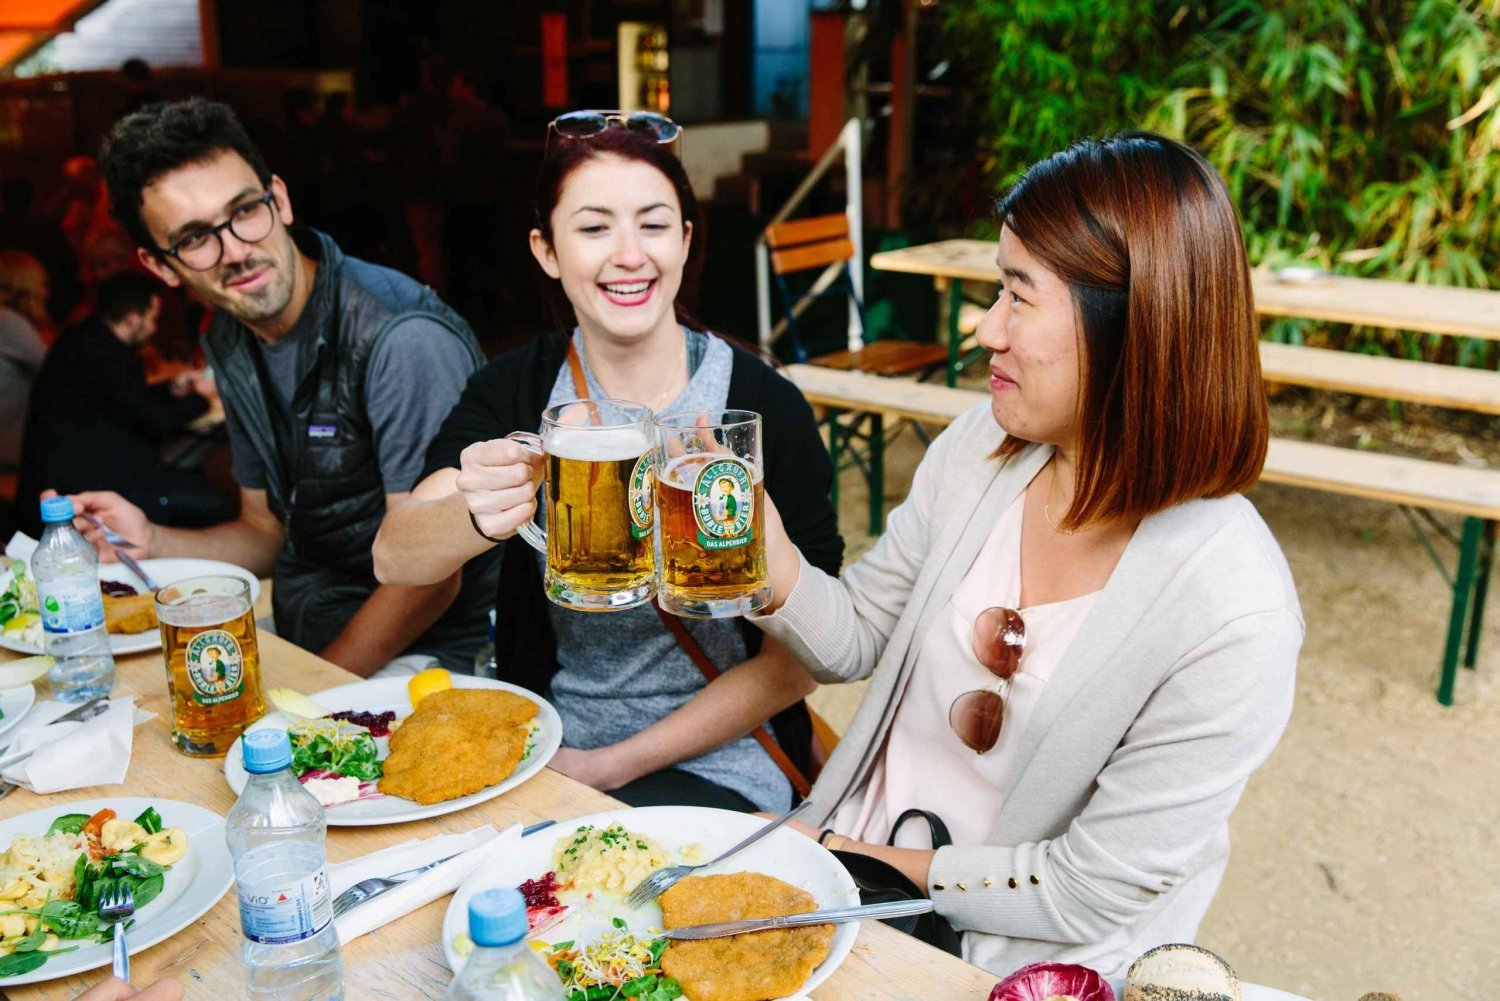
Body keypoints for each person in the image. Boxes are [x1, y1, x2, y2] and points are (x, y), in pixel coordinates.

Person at [747, 134, 1303, 976]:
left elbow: (1087, 887)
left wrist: (843, 860)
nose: (983, 329)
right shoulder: (982, 447)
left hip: (1017, 962)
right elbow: (858, 635)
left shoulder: (1234, 609)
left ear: (1134, 328)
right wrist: (764, 553)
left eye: (1016, 295)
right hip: (849, 871)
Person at [373, 121, 843, 813]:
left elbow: (804, 657)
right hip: (554, 741)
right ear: (547, 251)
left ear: (685, 239)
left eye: (652, 226)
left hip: (727, 762)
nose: (629, 255)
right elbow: (395, 555)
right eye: (593, 229)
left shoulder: (761, 405)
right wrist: (475, 511)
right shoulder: (517, 392)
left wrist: (608, 766)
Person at [65, 97, 494, 678]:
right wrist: (152, 540)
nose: (236, 250)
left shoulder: (402, 338)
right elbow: (264, 532)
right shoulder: (230, 337)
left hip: (433, 660)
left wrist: (315, 696)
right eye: (195, 238)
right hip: (311, 637)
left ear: (280, 198)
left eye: (245, 211)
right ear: (160, 266)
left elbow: (432, 578)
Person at [15, 270, 229, 537]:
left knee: (200, 481)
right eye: (152, 320)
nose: (154, 329)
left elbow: (127, 400)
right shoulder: (104, 355)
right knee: (219, 505)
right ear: (132, 319)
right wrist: (201, 397)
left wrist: (172, 389)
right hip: (85, 492)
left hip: (82, 477)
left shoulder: (86, 339)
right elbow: (155, 422)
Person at [0, 250, 51, 475]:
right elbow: (55, 368)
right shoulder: (8, 322)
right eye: (43, 283)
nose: (46, 291)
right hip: (10, 450)